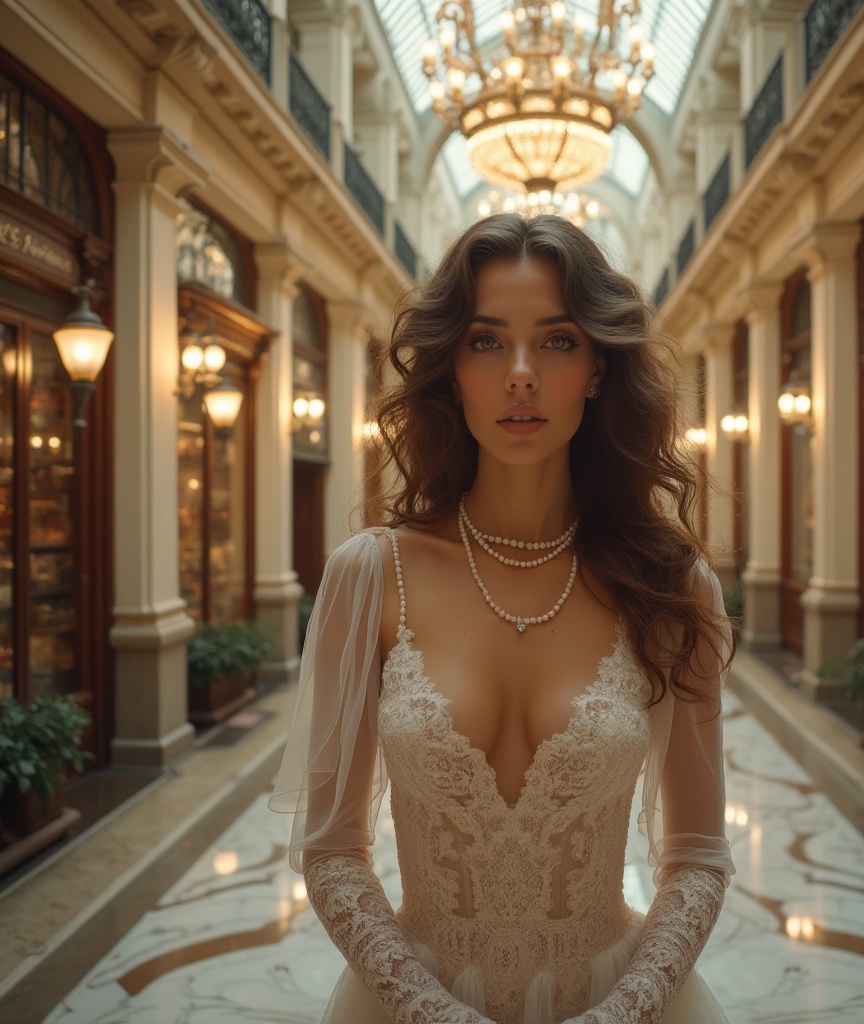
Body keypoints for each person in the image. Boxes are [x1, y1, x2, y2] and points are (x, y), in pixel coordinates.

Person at [270, 213, 736, 1024]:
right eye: (487, 342)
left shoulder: (670, 585)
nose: (521, 374)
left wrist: (618, 1013)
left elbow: (696, 856)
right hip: (410, 1003)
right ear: (452, 369)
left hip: (623, 1001)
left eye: (556, 342)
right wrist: (436, 1013)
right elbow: (333, 852)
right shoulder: (371, 576)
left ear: (596, 368)